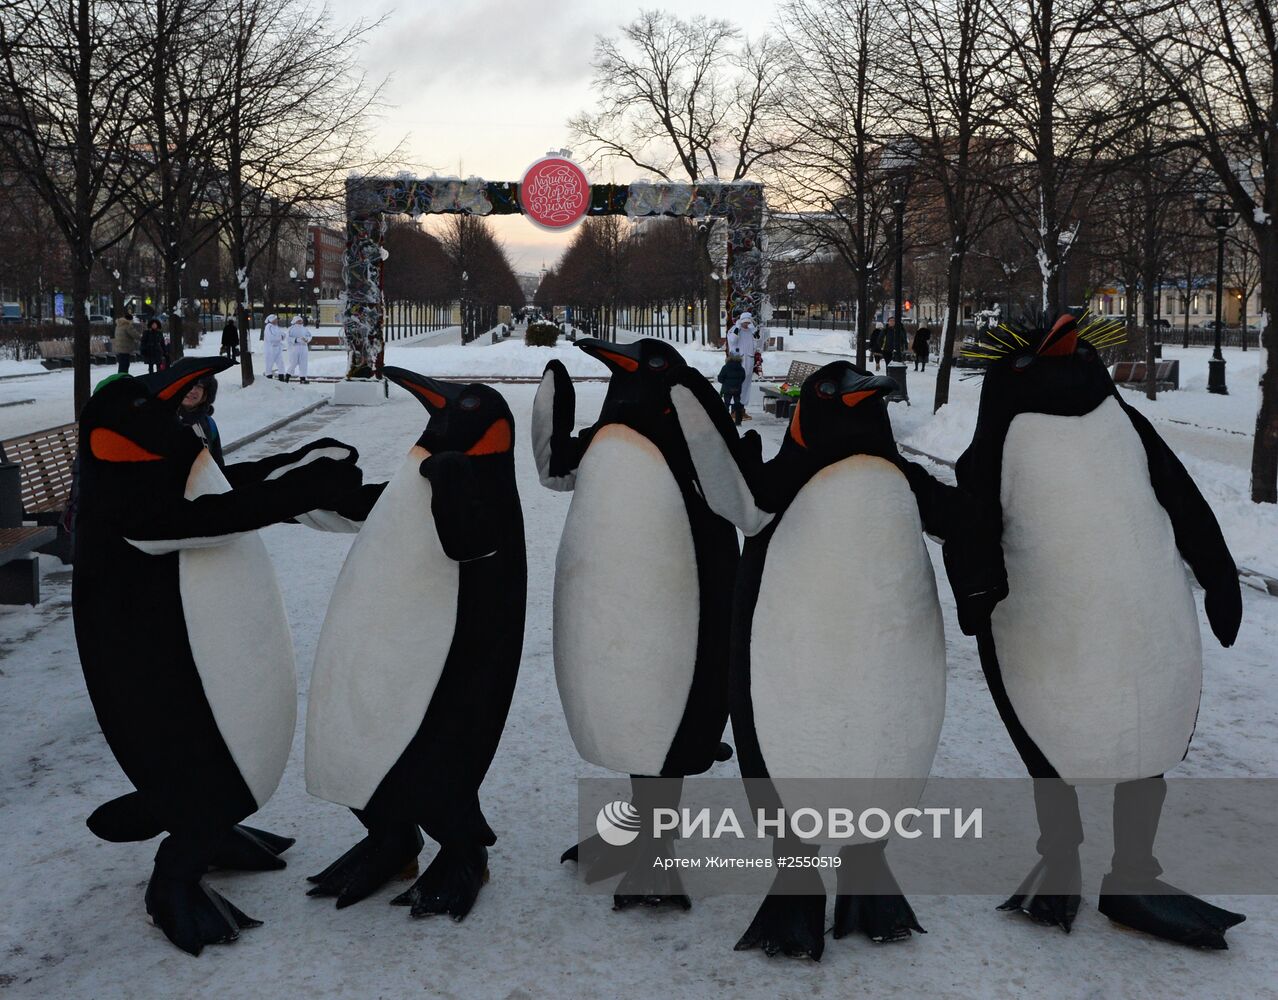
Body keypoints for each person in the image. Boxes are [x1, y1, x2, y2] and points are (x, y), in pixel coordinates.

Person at [177, 374, 224, 468]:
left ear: (205, 395)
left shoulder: (209, 424)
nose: (192, 390)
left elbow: (218, 462)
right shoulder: (163, 420)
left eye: (199, 386)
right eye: (188, 384)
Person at [725, 311, 763, 420]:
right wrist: (738, 328)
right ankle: (734, 411)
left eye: (748, 322)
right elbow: (732, 340)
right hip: (738, 362)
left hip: (749, 362)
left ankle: (741, 410)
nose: (746, 324)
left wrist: (755, 331)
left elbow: (758, 343)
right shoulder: (735, 330)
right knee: (736, 386)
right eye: (745, 322)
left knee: (746, 387)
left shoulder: (751, 332)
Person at [718, 354, 747, 425]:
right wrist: (738, 383)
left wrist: (725, 383)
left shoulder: (725, 367)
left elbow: (720, 378)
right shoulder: (741, 368)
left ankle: (725, 421)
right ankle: (738, 422)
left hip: (727, 389)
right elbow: (743, 377)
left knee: (726, 404)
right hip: (737, 389)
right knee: (737, 404)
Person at [284, 314, 312, 384]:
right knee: (293, 363)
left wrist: (307, 339)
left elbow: (309, 335)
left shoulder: (304, 329)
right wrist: (296, 340)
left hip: (304, 348)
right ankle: (287, 376)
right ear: (295, 321)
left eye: (301, 321)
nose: (300, 322)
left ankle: (303, 378)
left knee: (303, 363)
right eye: (299, 321)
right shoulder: (291, 329)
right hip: (295, 348)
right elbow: (288, 338)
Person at [262, 314, 286, 378]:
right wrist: (280, 337)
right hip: (270, 349)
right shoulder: (268, 327)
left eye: (277, 319)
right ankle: (269, 378)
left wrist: (281, 337)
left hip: (278, 348)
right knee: (269, 364)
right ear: (271, 320)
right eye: (275, 319)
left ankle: (281, 378)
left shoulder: (276, 327)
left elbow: (283, 335)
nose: (277, 321)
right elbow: (271, 338)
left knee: (281, 364)